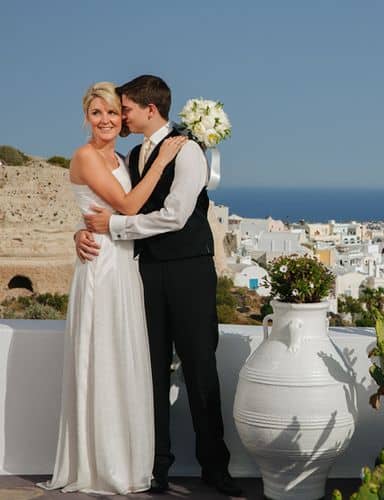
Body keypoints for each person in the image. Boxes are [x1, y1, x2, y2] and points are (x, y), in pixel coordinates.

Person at [78, 75, 241, 496]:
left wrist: (114, 227)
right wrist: (82, 234)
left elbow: (175, 215)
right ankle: (155, 466)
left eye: (126, 109)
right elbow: (106, 201)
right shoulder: (132, 156)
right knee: (147, 370)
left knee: (200, 366)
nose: (121, 116)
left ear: (150, 110)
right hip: (144, 272)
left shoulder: (188, 151)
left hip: (189, 271)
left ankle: (214, 467)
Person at [40, 82, 187, 494]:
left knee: (122, 359)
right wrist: (162, 162)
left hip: (124, 266)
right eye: (96, 113)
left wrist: (77, 231)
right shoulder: (86, 156)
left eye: (112, 113)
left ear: (122, 117)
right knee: (102, 358)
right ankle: (102, 464)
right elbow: (126, 206)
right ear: (86, 117)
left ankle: (124, 459)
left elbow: (102, 211)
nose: (105, 120)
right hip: (102, 268)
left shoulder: (120, 156)